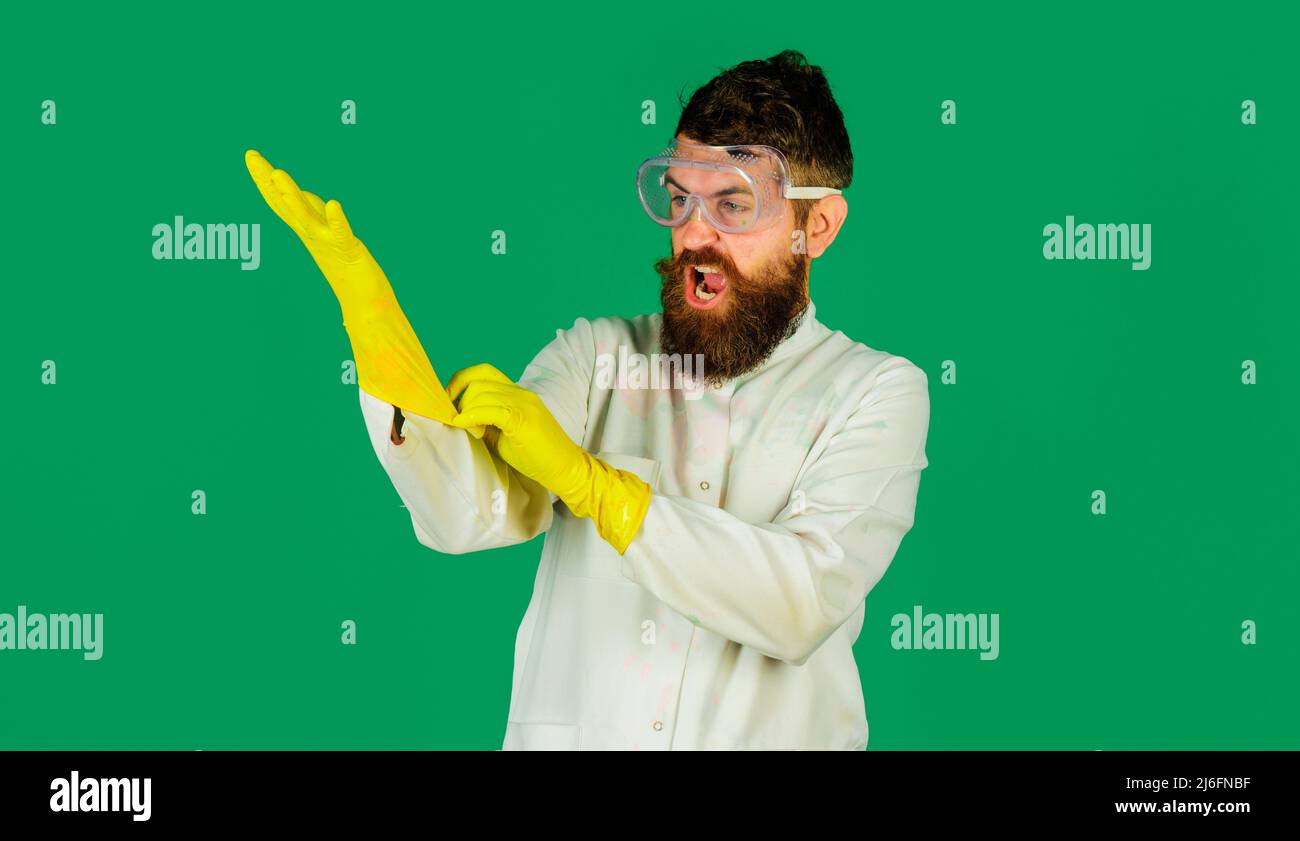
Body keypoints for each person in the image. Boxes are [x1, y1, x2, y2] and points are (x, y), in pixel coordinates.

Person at [246, 50, 931, 750]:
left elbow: (801, 600)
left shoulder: (874, 391)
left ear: (817, 227)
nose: (694, 232)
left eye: (732, 204)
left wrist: (595, 487)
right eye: (679, 199)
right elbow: (470, 510)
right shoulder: (597, 357)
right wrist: (379, 338)